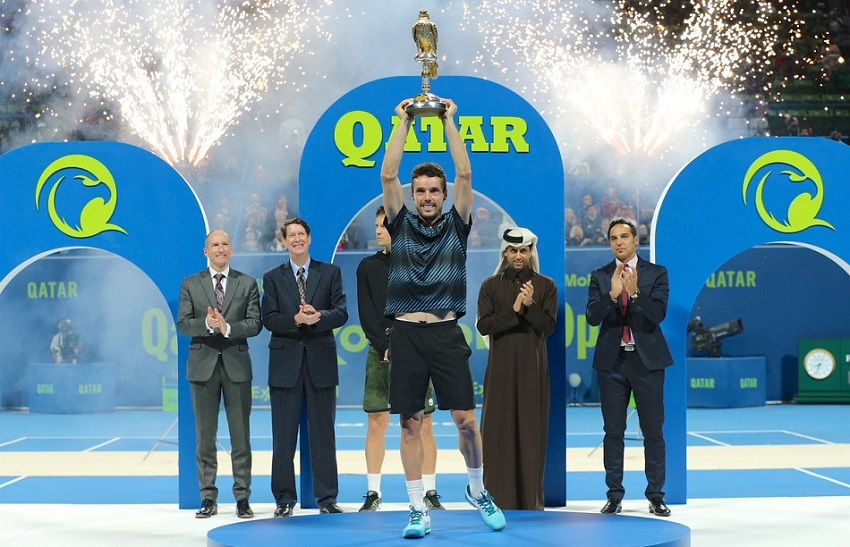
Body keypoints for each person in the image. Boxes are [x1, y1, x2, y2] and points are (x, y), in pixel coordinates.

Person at [381, 97, 507, 538]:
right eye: (422, 191)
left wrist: (450, 120)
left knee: (466, 421)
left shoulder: (459, 223)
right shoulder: (400, 224)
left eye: (436, 190)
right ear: (413, 197)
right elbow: (388, 173)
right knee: (410, 423)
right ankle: (417, 508)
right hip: (407, 335)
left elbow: (467, 172)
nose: (429, 196)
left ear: (444, 194)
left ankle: (478, 491)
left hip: (447, 333)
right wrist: (403, 122)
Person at [356, 206, 443, 513]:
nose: (378, 230)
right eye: (376, 225)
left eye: (384, 225)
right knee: (377, 422)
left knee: (424, 424)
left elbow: (430, 307)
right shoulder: (367, 267)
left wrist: (410, 344)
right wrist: (386, 346)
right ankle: (373, 492)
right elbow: (367, 315)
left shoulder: (421, 263)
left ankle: (430, 491)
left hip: (418, 348)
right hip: (380, 352)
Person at [586, 218, 674, 518]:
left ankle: (656, 496)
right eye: (613, 238)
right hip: (612, 364)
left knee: (653, 430)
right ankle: (614, 495)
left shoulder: (656, 273)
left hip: (647, 361)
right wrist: (612, 295)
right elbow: (592, 317)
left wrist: (636, 294)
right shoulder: (600, 276)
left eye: (624, 236)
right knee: (613, 431)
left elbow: (658, 315)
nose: (619, 242)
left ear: (636, 240)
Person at [261, 218, 348, 516]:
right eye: (291, 235)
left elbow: (341, 312)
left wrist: (319, 315)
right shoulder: (272, 277)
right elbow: (269, 319)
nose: (297, 239)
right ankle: (284, 499)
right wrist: (296, 320)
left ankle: (327, 499)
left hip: (320, 364)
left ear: (309, 239)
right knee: (283, 437)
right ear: (284, 241)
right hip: (285, 365)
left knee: (324, 435)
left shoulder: (331, 272)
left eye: (301, 234)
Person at [176, 230, 262, 519]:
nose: (220, 249)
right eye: (215, 244)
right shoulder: (190, 283)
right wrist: (208, 323)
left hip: (237, 368)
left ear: (232, 249)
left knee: (241, 437)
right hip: (202, 368)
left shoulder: (247, 283)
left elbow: (254, 324)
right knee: (205, 438)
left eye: (225, 244)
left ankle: (242, 498)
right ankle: (208, 497)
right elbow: (184, 325)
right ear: (206, 251)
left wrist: (227, 328)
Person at [476, 227, 558, 510]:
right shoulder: (490, 286)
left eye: (524, 251)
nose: (519, 256)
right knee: (497, 434)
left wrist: (530, 305)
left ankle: (530, 504)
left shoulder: (546, 286)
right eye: (513, 251)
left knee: (531, 432)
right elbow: (484, 326)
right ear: (505, 253)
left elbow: (548, 326)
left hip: (533, 371)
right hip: (500, 370)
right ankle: (496, 501)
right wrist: (514, 311)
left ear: (531, 252)